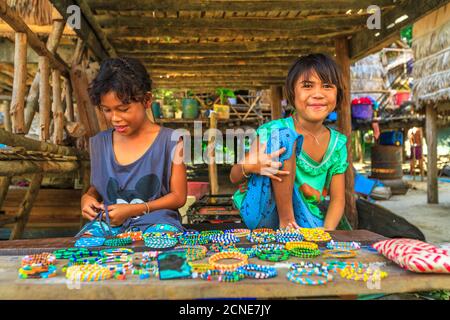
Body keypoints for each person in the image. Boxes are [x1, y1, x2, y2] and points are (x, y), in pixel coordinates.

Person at [230, 53, 348, 231]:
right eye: (307, 86)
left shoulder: (337, 143)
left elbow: (338, 199)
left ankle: (293, 227)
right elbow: (234, 176)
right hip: (263, 212)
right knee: (283, 135)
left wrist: (327, 233)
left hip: (307, 221)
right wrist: (251, 166)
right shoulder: (271, 130)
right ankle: (287, 223)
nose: (318, 94)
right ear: (292, 92)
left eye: (327, 86)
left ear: (338, 93)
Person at [79, 57, 187, 237]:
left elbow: (178, 197)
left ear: (146, 100)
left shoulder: (171, 141)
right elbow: (99, 186)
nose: (114, 118)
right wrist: (88, 197)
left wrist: (134, 209)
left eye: (123, 109)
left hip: (156, 222)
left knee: (163, 247)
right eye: (107, 110)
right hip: (110, 224)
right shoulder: (99, 143)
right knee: (86, 247)